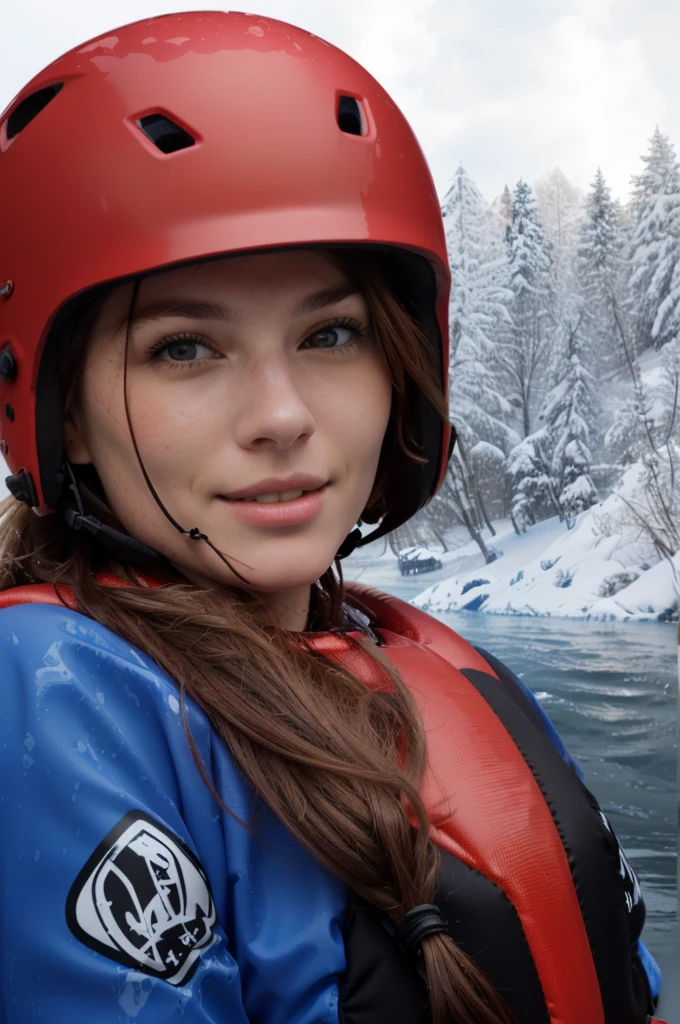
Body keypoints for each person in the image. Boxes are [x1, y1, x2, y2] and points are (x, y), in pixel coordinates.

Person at [0, 12, 665, 1024]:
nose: (282, 416)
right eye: (184, 348)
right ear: (62, 410)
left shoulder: (425, 656)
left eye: (330, 333)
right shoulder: (50, 694)